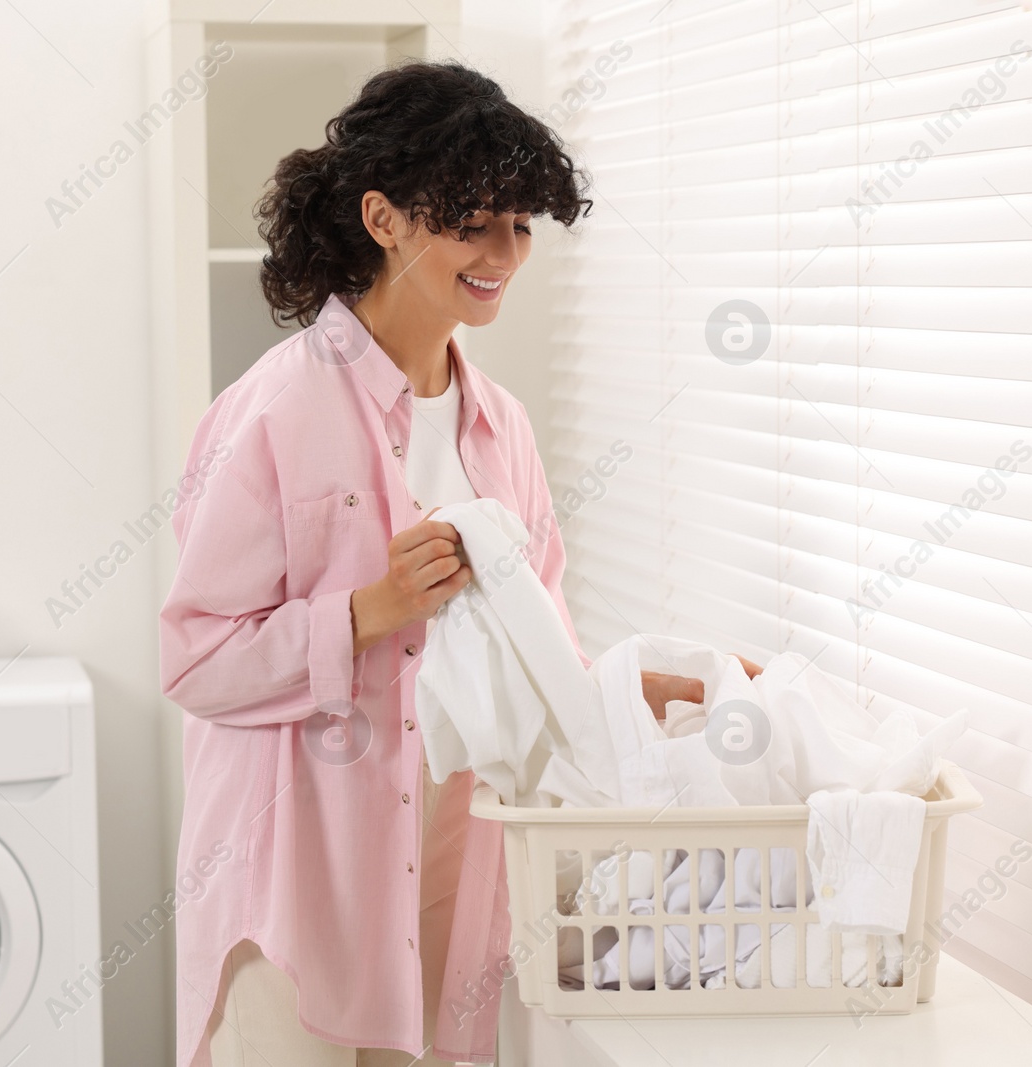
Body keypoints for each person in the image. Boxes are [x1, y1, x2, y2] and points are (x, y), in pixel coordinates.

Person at [158, 60, 758, 1067]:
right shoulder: (271, 412)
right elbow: (194, 662)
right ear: (383, 218)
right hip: (298, 875)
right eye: (473, 222)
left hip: (451, 857)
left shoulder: (502, 428)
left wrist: (651, 688)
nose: (502, 254)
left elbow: (537, 654)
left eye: (520, 225)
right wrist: (371, 606)